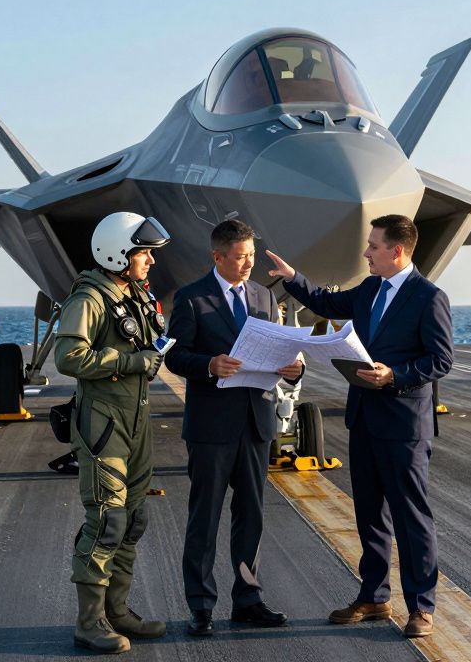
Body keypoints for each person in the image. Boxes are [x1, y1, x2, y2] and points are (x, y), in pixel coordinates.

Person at [264, 214, 453, 640]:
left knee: (411, 518)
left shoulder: (429, 297)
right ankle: (374, 596)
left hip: (404, 425)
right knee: (370, 515)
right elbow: (329, 305)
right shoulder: (370, 289)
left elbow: (441, 359)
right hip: (365, 419)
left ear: (396, 251)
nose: (366, 252)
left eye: (373, 246)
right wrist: (293, 277)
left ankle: (421, 607)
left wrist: (395, 375)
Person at [165, 219, 302, 637]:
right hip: (211, 426)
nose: (248, 264)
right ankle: (201, 607)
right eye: (240, 257)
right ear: (217, 257)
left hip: (256, 420)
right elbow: (174, 357)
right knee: (203, 520)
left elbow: (276, 346)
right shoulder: (191, 299)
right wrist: (207, 365)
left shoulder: (263, 296)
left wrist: (292, 371)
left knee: (252, 517)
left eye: (252, 257)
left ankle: (248, 599)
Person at [54, 211, 171, 654]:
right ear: (118, 253)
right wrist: (128, 363)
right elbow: (69, 358)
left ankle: (118, 612)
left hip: (136, 421)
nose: (150, 262)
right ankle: (90, 622)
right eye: (143, 253)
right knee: (107, 520)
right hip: (104, 422)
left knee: (134, 518)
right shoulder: (89, 299)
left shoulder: (133, 293)